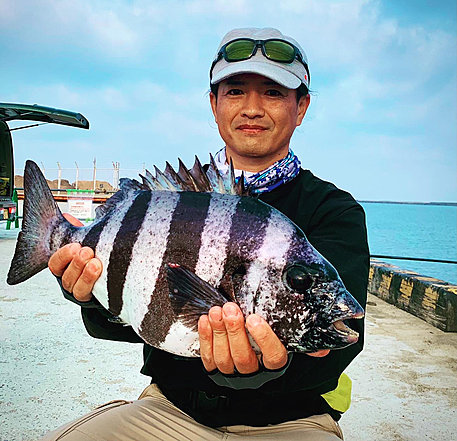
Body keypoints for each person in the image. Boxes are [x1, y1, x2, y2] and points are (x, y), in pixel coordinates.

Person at [42, 27, 369, 440]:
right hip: (168, 411)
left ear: (301, 107)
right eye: (235, 92)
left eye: (272, 93)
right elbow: (130, 323)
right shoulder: (174, 200)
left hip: (293, 421)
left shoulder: (334, 210)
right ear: (214, 105)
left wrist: (261, 371)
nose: (252, 108)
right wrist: (88, 295)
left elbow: (341, 343)